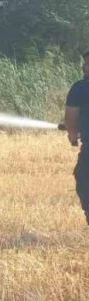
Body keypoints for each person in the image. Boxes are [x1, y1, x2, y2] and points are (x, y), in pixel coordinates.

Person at [65, 51, 89, 225]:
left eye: (87, 63)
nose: (84, 67)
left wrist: (73, 138)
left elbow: (71, 120)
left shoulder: (80, 88)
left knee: (84, 182)